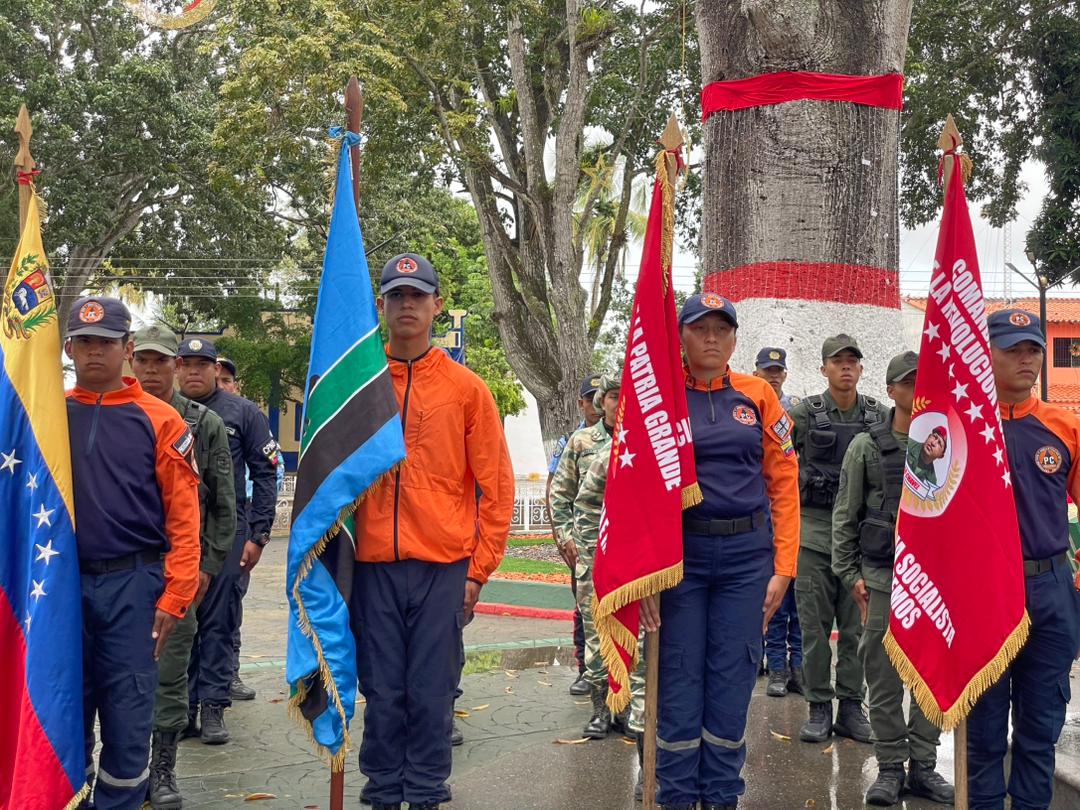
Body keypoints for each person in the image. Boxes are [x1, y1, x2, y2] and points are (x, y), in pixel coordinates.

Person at [349, 253, 514, 810]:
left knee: (432, 690)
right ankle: (381, 788)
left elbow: (497, 487)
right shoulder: (359, 383)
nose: (407, 305)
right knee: (381, 688)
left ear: (436, 305)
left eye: (417, 295)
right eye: (396, 296)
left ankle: (423, 789)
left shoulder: (466, 389)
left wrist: (477, 571)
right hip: (372, 566)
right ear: (381, 305)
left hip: (444, 569)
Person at [639, 293, 800, 810]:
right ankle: (676, 796)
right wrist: (642, 575)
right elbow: (636, 488)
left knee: (733, 678)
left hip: (746, 560)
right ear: (680, 336)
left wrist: (784, 567)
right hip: (679, 559)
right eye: (699, 328)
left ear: (734, 338)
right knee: (679, 678)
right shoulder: (659, 397)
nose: (711, 338)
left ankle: (722, 795)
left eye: (722, 329)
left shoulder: (759, 395)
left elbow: (784, 483)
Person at [65, 297, 201, 810]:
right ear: (69, 347)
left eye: (105, 342)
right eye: (84, 341)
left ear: (125, 348)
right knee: (64, 709)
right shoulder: (47, 414)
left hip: (135, 585)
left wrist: (177, 593)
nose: (93, 352)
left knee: (128, 712)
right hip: (60, 586)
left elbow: (184, 515)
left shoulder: (162, 419)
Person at [967, 310, 1080, 809]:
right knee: (983, 733)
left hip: (1049, 589)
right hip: (983, 593)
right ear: (986, 354)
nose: (1027, 359)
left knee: (1039, 731)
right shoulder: (961, 427)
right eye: (1013, 349)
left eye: (1033, 349)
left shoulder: (1066, 426)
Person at [831, 351, 954, 806]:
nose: (918, 390)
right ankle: (889, 766)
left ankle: (923, 765)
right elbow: (845, 515)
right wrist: (850, 574)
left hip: (932, 583)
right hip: (883, 580)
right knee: (883, 678)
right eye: (909, 382)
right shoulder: (867, 446)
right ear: (891, 390)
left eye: (924, 381)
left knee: (929, 677)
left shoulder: (949, 446)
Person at [131, 325, 237, 809]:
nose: (151, 371)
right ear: (132, 360)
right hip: (123, 569)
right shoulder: (118, 413)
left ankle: (163, 769)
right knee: (120, 674)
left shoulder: (201, 423)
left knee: (170, 672)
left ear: (175, 366)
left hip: (179, 566)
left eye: (161, 362)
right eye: (144, 361)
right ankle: (123, 768)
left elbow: (223, 504)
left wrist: (207, 567)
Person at [177, 337, 277, 743]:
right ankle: (182, 709)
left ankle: (214, 706)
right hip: (176, 532)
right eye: (187, 364)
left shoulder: (243, 412)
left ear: (215, 370)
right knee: (180, 623)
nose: (194, 371)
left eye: (202, 365)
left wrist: (259, 534)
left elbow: (266, 472)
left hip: (227, 530)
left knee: (218, 621)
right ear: (178, 368)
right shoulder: (164, 409)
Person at [789, 334, 887, 744]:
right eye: (837, 361)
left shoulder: (879, 416)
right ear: (824, 368)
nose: (846, 367)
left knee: (856, 630)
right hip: (813, 536)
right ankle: (818, 705)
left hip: (860, 542)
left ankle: (850, 705)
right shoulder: (803, 414)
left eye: (852, 360)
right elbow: (777, 464)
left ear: (861, 369)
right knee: (814, 630)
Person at [549, 375, 636, 740]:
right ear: (602, 402)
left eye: (624, 396)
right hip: (590, 553)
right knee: (596, 631)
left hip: (632, 556)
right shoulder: (582, 441)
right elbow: (560, 493)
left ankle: (625, 707)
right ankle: (600, 709)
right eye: (613, 396)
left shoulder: (641, 441)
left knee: (631, 630)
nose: (618, 402)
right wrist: (566, 538)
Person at [546, 373, 603, 697]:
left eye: (602, 396)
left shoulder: (624, 437)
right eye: (590, 398)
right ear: (581, 403)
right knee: (584, 609)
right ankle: (585, 670)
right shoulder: (572, 440)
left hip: (616, 540)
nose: (597, 403)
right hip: (582, 541)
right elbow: (555, 488)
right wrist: (562, 537)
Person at [754, 346, 803, 696]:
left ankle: (798, 667)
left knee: (796, 600)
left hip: (790, 509)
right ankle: (775, 667)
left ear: (784, 374)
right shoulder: (746, 405)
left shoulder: (796, 410)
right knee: (773, 600)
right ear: (757, 372)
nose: (773, 376)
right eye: (767, 370)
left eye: (778, 371)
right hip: (759, 512)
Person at [753, 346, 800, 411]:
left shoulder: (796, 407)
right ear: (755, 375)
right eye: (768, 370)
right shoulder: (748, 405)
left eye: (779, 370)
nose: (774, 375)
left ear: (785, 376)